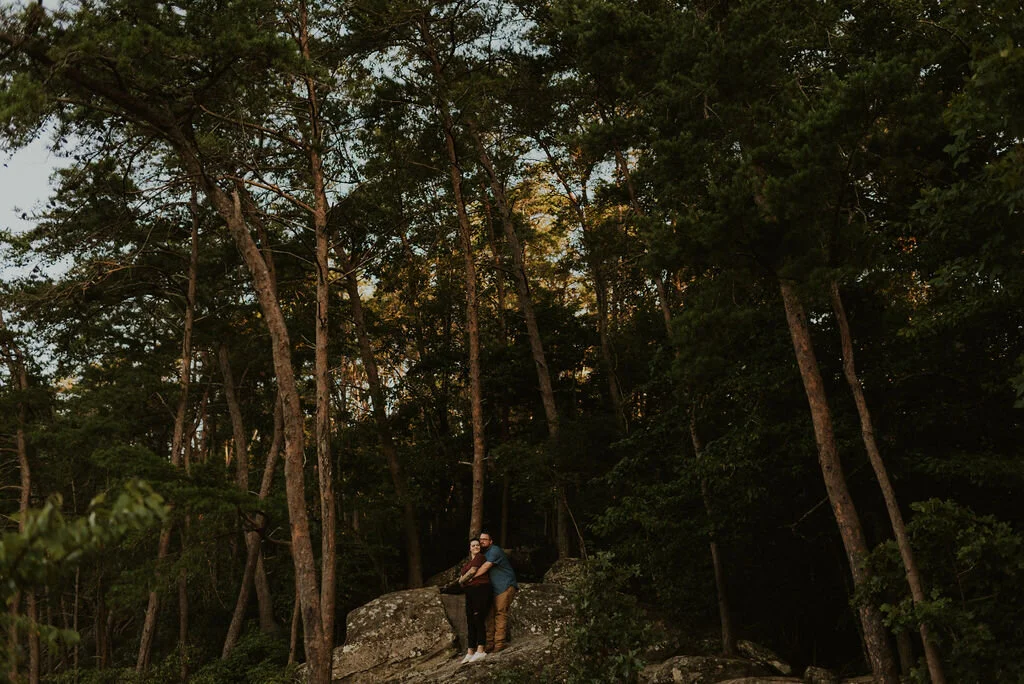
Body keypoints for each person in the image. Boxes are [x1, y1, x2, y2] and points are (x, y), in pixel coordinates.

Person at [472, 531, 518, 653]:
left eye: (485, 539)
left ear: (490, 541)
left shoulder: (495, 550)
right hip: (492, 589)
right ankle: (489, 644)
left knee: (500, 613)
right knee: (489, 616)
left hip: (504, 586)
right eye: (480, 539)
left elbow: (486, 566)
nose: (482, 541)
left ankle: (499, 644)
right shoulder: (483, 553)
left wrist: (471, 577)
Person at [457, 538, 492, 664]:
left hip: (480, 590)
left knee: (478, 618)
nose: (476, 547)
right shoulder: (468, 562)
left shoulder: (480, 557)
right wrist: (464, 579)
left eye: (478, 545)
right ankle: (470, 651)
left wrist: (461, 581)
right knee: (470, 621)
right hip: (470, 592)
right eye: (473, 545)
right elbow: (464, 573)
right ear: (470, 548)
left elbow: (471, 572)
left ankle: (481, 650)